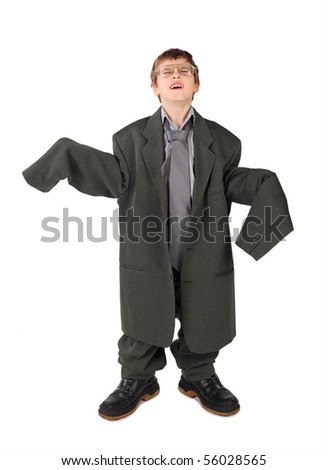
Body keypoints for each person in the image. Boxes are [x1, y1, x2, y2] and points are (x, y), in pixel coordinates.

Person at [22, 48, 293, 420]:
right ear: (155, 86)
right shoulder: (130, 138)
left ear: (196, 84)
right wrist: (63, 158)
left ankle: (199, 375)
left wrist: (256, 236)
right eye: (167, 72)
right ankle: (137, 378)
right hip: (150, 253)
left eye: (184, 70)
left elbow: (235, 182)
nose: (176, 75)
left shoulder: (225, 142)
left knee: (205, 317)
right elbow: (115, 178)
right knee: (143, 317)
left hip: (202, 252)